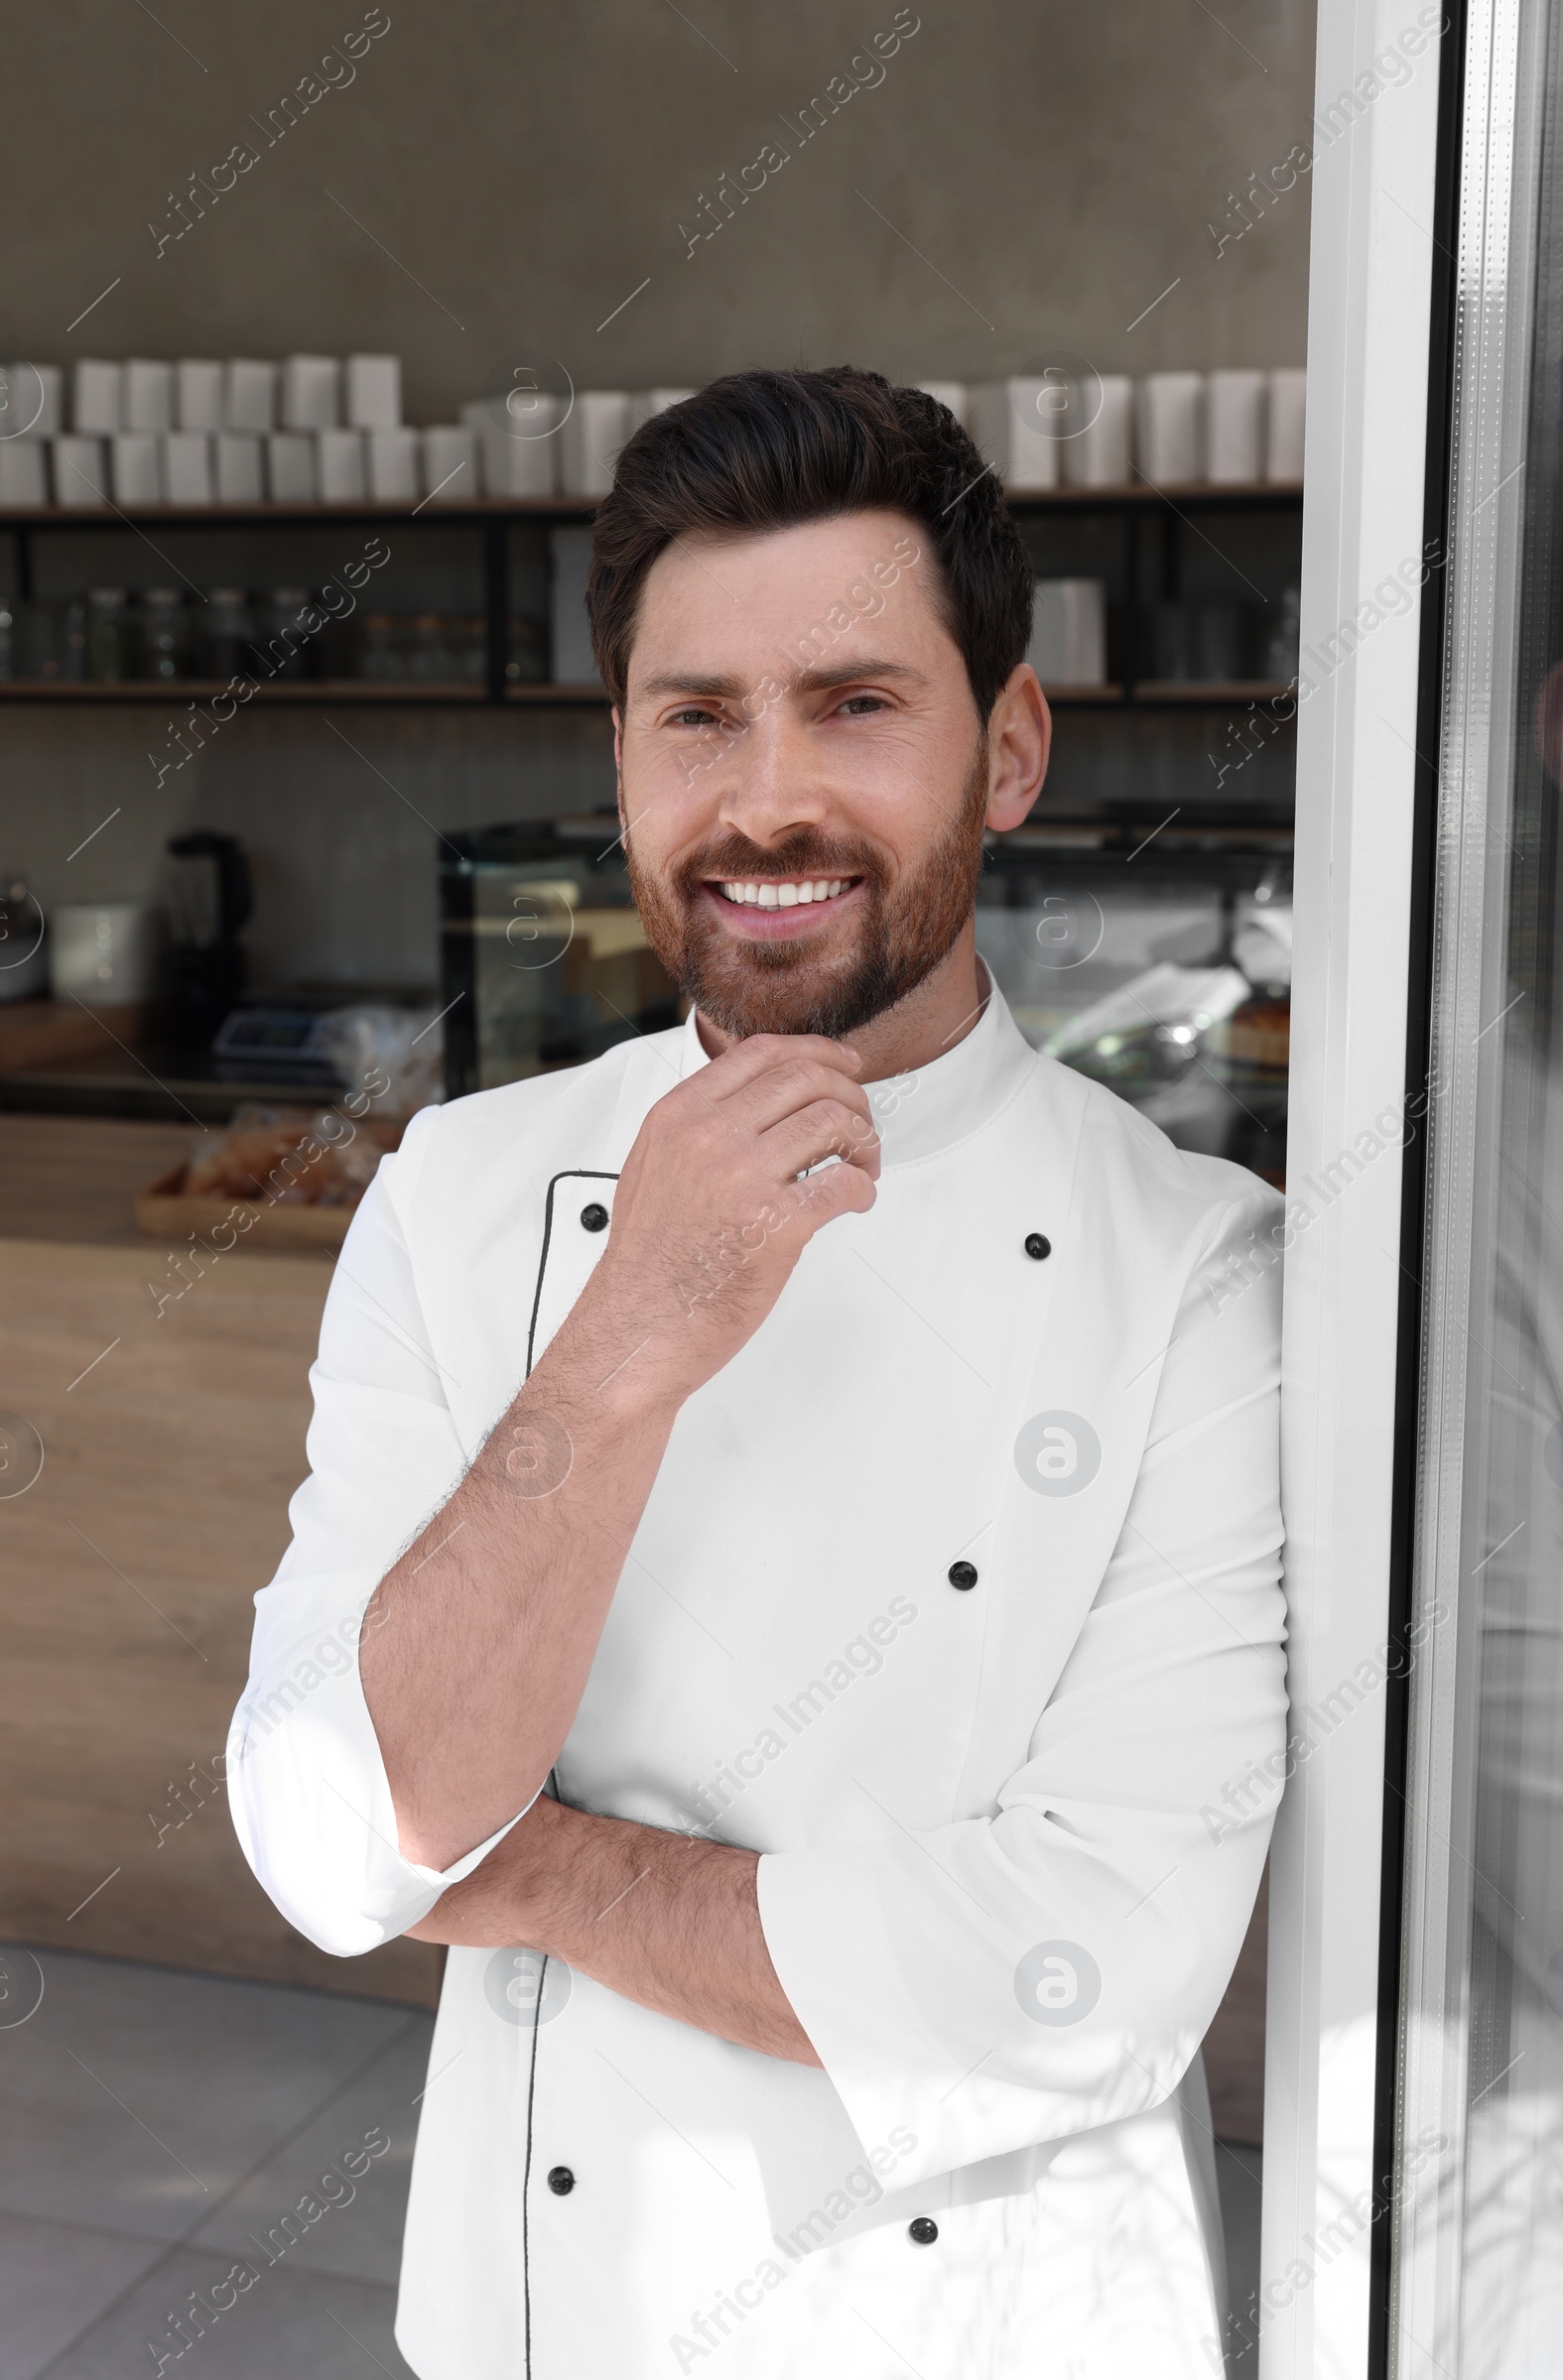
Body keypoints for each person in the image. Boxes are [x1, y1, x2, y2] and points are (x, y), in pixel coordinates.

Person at [229, 366, 1287, 2379]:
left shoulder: (1200, 1278)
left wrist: (522, 1861)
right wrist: (628, 1339)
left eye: (854, 705)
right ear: (620, 758)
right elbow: (327, 1845)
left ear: (1007, 748)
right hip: (549, 2320)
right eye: (696, 716)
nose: (767, 800)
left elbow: (1080, 1983)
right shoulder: (459, 1197)